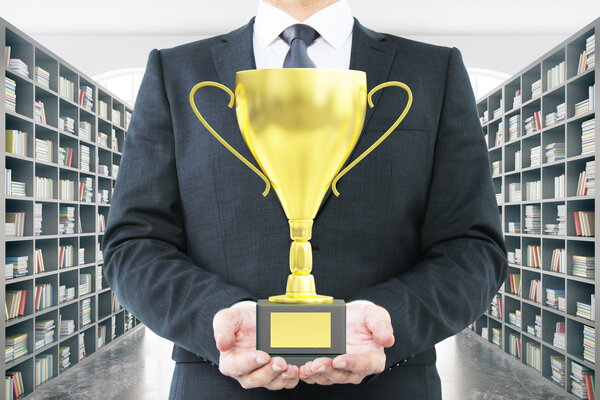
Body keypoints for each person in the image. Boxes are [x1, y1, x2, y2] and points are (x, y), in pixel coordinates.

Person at [102, 0, 508, 398]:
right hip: (216, 386)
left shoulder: (433, 71)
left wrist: (390, 320)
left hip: (391, 386)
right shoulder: (175, 72)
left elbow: (472, 247)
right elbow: (135, 242)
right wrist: (216, 323)